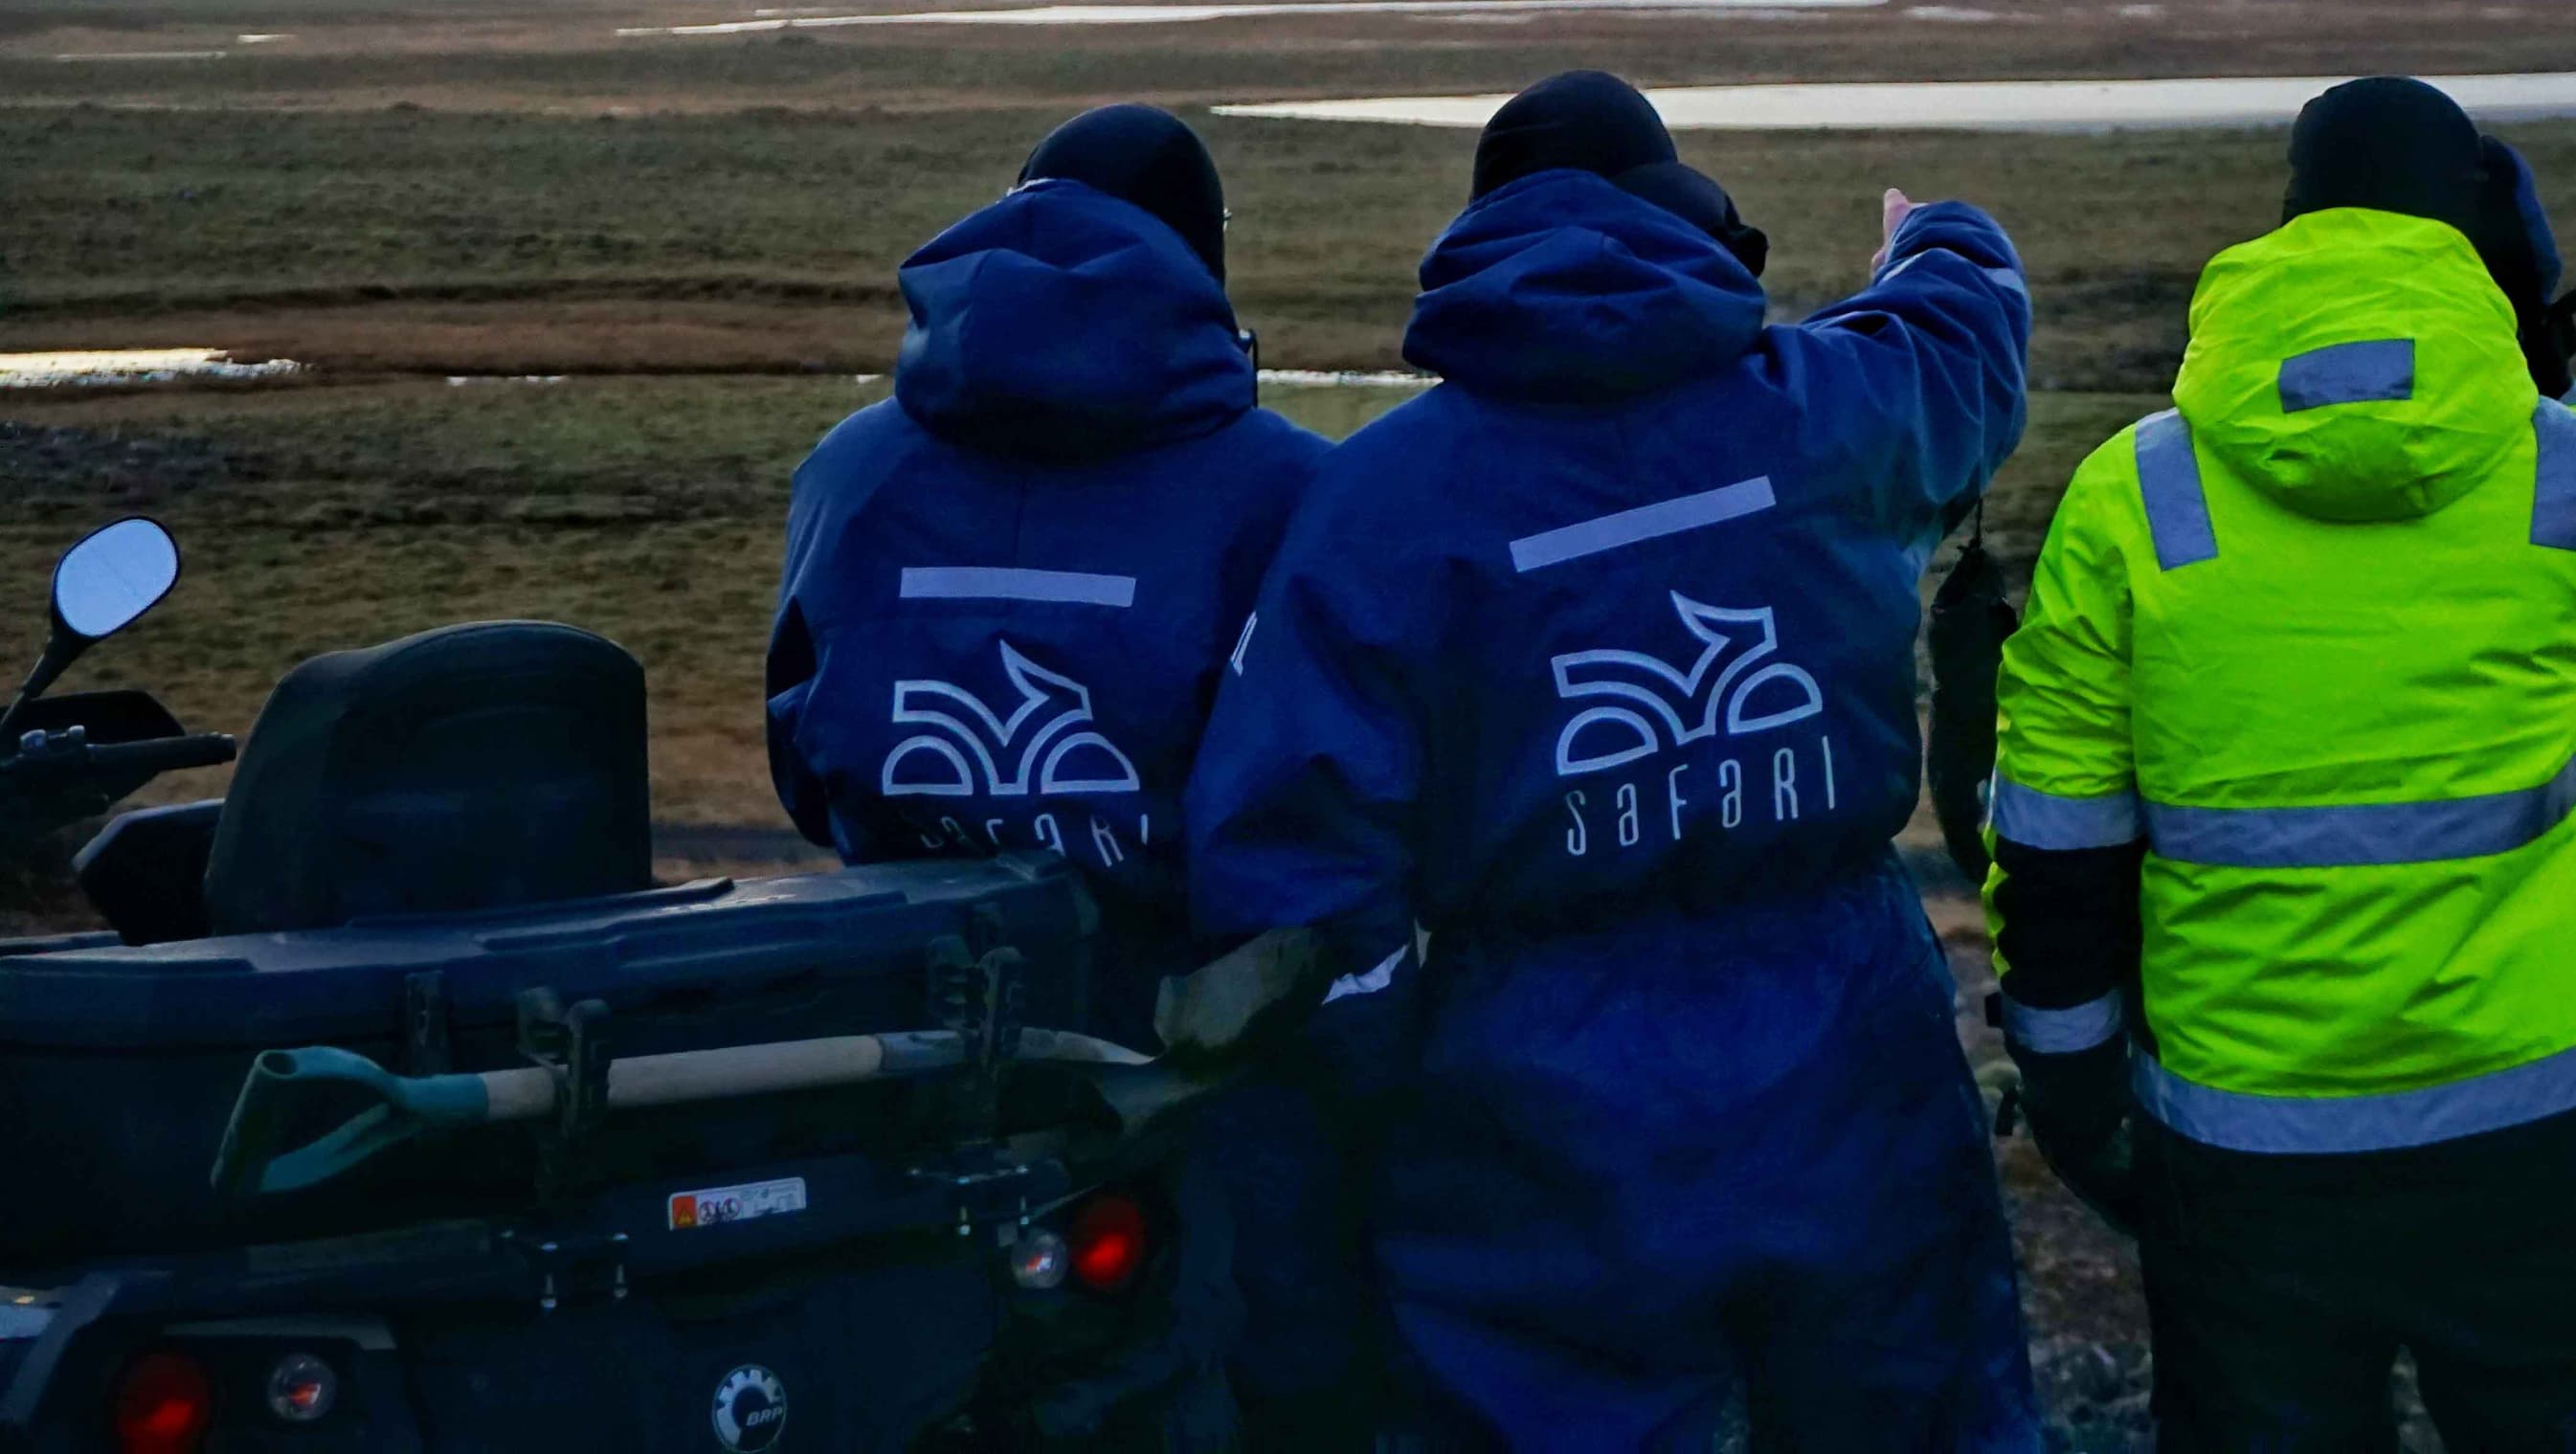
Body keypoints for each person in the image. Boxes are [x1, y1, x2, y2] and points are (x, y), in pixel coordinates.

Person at [1185, 70, 2045, 1454]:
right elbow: (1968, 341)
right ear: (1692, 223)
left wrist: (1383, 1090)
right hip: (1846, 1026)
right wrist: (1933, 235)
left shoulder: (1383, 498)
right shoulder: (1831, 407)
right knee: (1912, 1404)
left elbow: (1293, 862)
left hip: (1536, 1077)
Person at [1983, 76, 2576, 1454]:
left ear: (2288, 222)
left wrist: (2072, 1089)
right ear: (2474, 235)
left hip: (2246, 1144)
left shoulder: (2134, 495)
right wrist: (2537, 340)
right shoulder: (2573, 473)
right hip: (2534, 1125)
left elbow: (2056, 835)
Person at [764, 101, 1356, 1449]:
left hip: (904, 1036)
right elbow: (1321, 797)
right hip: (1198, 1061)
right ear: (1203, 261)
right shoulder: (1285, 486)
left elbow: (801, 754)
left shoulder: (852, 471)